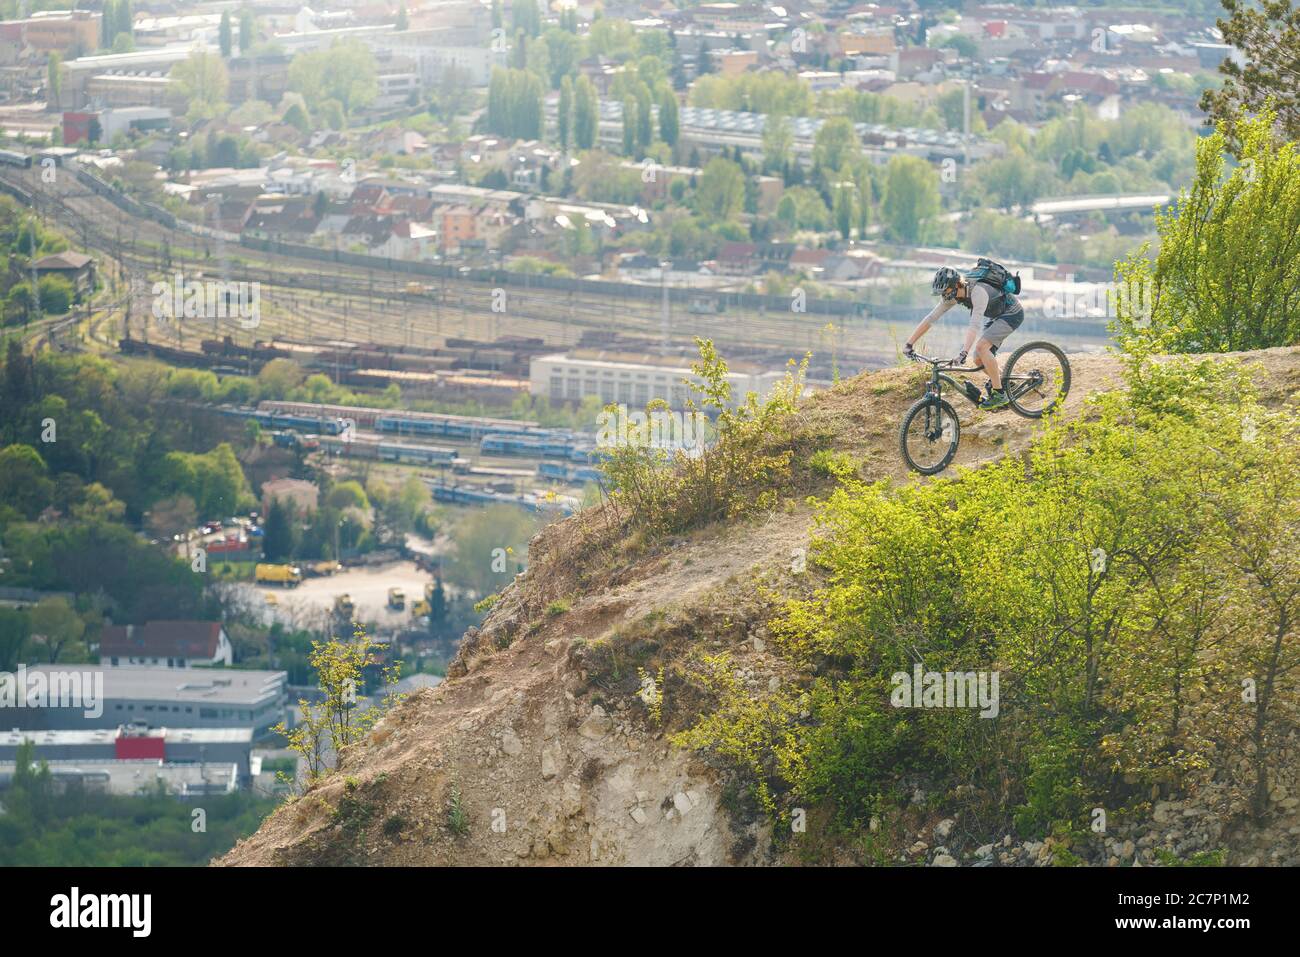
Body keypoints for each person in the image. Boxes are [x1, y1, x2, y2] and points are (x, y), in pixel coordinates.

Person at [903, 265, 1024, 410]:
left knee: (981, 347)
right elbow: (931, 318)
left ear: (956, 285)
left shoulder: (977, 292)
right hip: (997, 315)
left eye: (945, 292)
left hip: (1012, 313)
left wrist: (963, 352)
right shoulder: (954, 294)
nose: (944, 296)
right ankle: (1006, 384)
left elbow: (974, 326)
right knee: (978, 359)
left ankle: (999, 394)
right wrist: (909, 344)